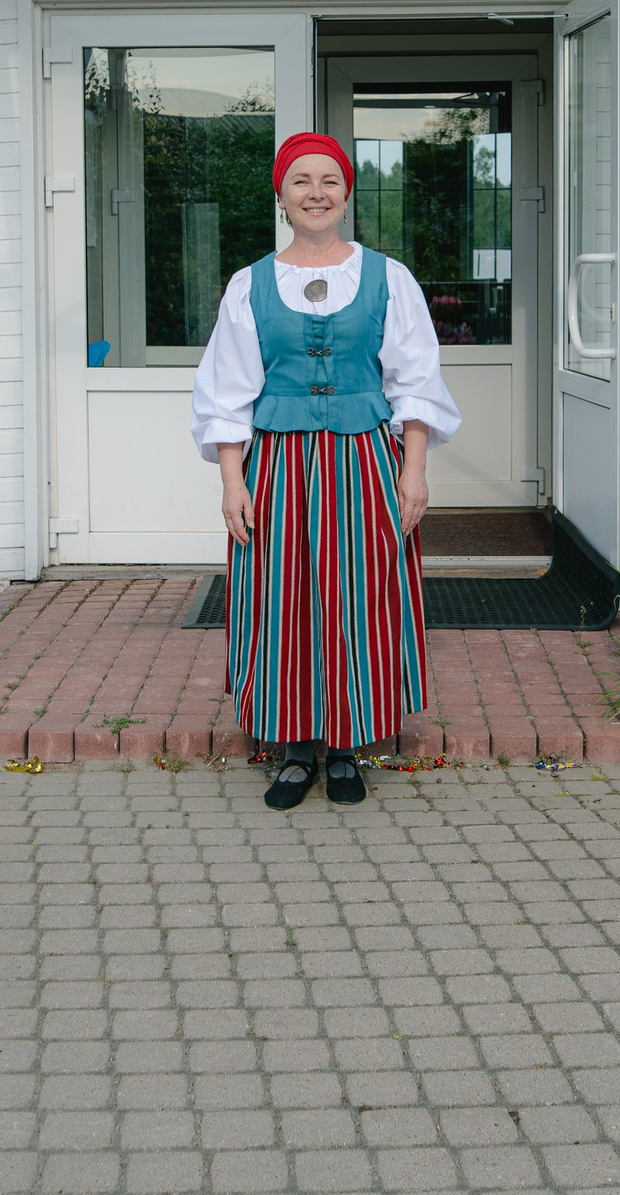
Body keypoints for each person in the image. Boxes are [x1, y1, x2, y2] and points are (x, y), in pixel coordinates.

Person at [189, 132, 460, 808]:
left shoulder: (387, 277)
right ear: (281, 195)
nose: (316, 193)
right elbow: (227, 391)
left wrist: (415, 471)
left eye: (330, 181)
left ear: (346, 194)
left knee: (359, 596)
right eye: (302, 181)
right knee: (281, 598)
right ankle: (294, 749)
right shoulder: (249, 284)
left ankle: (346, 747)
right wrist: (232, 481)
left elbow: (415, 382)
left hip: (364, 460)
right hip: (277, 464)